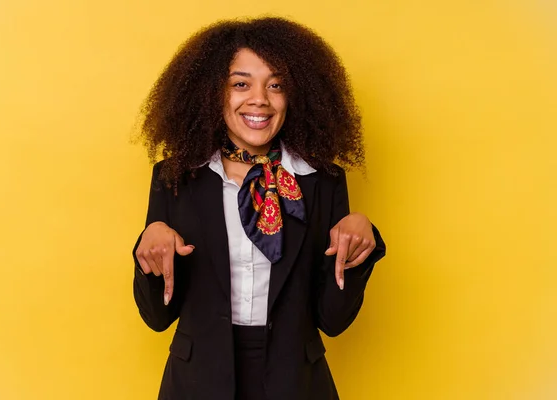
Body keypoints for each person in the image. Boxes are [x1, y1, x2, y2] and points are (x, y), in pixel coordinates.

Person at [132, 16, 386, 400]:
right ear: (211, 93)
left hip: (296, 384)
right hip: (198, 383)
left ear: (296, 94)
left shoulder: (322, 180)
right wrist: (147, 253)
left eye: (276, 85)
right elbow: (157, 318)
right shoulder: (176, 177)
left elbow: (331, 320)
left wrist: (359, 248)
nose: (259, 100)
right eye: (240, 84)